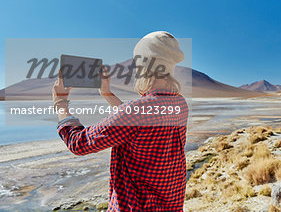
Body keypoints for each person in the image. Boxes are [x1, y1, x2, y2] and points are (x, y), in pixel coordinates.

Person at [53, 31, 188, 212]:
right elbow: (138, 125)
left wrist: (60, 103)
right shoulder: (179, 104)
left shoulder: (136, 112)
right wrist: (107, 94)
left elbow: (79, 143)